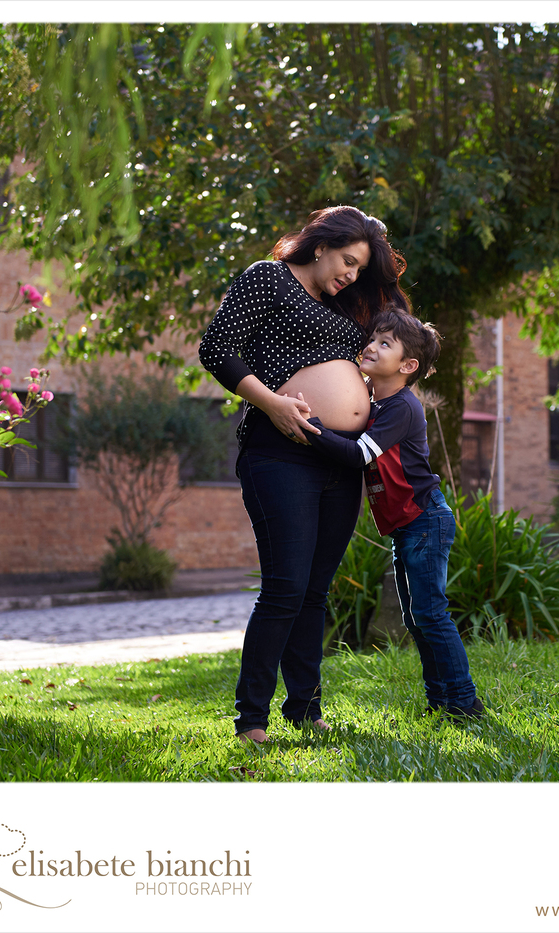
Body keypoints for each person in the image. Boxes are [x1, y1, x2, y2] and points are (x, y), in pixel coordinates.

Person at [198, 206, 410, 745]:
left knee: (315, 591)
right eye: (347, 260)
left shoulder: (349, 306)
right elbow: (215, 349)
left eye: (361, 268)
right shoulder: (267, 279)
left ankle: (304, 709)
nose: (352, 275)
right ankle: (251, 719)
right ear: (321, 245)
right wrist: (271, 404)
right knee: (286, 587)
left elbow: (394, 340)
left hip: (339, 460)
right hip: (279, 452)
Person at [302, 308, 483, 720]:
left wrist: (312, 427)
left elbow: (356, 455)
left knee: (430, 614)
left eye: (385, 343)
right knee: (416, 618)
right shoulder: (373, 400)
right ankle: (441, 702)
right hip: (408, 526)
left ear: (408, 366)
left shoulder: (402, 407)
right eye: (373, 338)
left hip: (425, 519)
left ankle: (463, 701)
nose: (372, 345)